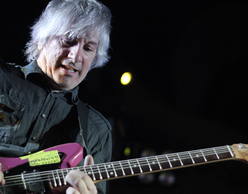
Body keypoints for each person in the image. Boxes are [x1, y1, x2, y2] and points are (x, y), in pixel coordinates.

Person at [0, 0, 112, 193]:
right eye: (68, 40)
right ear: (42, 40)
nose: (76, 56)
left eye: (88, 48)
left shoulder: (96, 130)